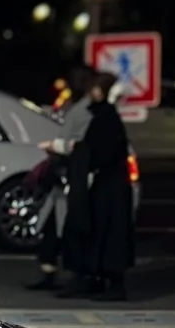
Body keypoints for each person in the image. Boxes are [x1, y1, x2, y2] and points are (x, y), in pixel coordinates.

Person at [52, 70, 135, 299]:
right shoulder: (104, 116)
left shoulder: (105, 118)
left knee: (109, 233)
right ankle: (97, 278)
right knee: (101, 232)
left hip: (109, 186)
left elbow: (98, 151)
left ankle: (110, 283)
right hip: (106, 184)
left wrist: (68, 148)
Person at [27, 68, 94, 292]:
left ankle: (74, 276)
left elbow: (77, 142)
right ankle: (53, 272)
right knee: (53, 227)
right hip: (67, 173)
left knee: (66, 228)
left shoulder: (84, 109)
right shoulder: (79, 107)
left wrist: (57, 147)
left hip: (74, 174)